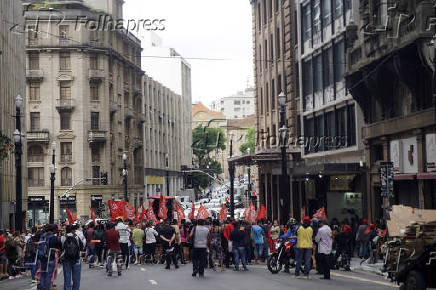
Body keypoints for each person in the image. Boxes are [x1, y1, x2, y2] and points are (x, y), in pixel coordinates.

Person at [38, 224, 62, 290]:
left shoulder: (42, 236)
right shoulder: (54, 237)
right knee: (49, 275)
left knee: (43, 274)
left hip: (42, 258)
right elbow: (59, 247)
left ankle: (42, 288)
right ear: (53, 230)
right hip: (50, 258)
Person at [61, 225, 84, 290]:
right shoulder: (77, 237)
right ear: (72, 230)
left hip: (66, 259)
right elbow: (81, 247)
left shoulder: (63, 237)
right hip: (76, 259)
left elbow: (62, 248)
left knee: (67, 276)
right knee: (76, 277)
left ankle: (67, 288)